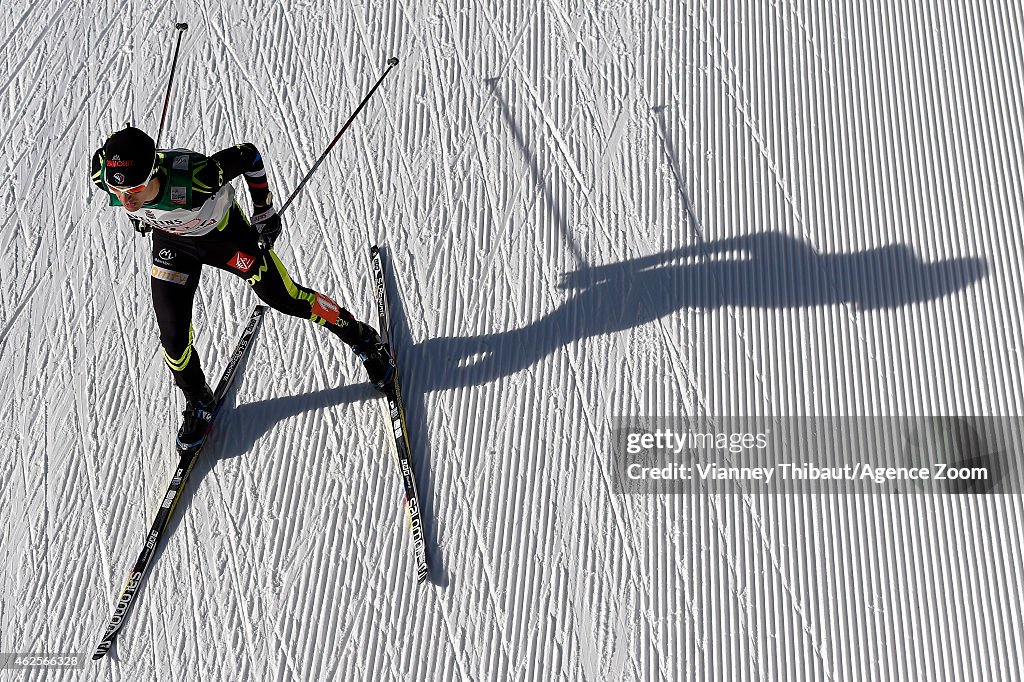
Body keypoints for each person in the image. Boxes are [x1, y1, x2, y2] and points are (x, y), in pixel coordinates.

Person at [91, 126, 394, 451]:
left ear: (153, 172)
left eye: (134, 189)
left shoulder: (195, 177)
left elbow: (248, 154)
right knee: (172, 339)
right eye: (117, 191)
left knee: (286, 298)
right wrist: (142, 217)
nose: (125, 199)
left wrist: (263, 208)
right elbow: (121, 188)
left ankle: (363, 339)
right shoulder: (103, 169)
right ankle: (198, 399)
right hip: (174, 247)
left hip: (226, 239)